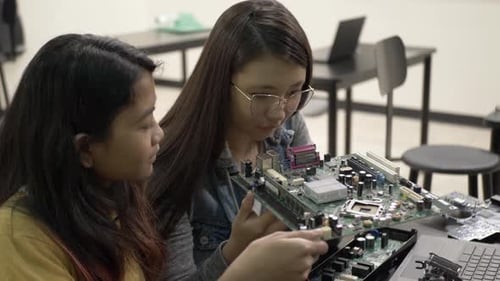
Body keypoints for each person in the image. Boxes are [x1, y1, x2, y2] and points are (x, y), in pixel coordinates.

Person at [0, 33, 327, 281]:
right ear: (85, 149)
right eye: (144, 124)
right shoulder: (20, 241)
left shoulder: (114, 198)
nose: (160, 133)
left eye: (294, 92)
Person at [149, 0, 322, 279]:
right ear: (221, 81)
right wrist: (235, 251)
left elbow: (315, 187)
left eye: (294, 91)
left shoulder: (291, 124)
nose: (279, 112)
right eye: (262, 95)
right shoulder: (170, 166)